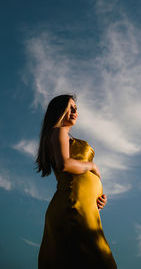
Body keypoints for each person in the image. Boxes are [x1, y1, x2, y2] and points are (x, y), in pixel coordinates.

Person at [35, 94, 117, 268]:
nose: (74, 111)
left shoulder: (65, 135)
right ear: (59, 111)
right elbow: (64, 164)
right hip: (72, 205)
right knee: (99, 260)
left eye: (75, 108)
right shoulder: (59, 132)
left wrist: (96, 199)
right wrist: (92, 166)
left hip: (83, 206)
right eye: (69, 107)